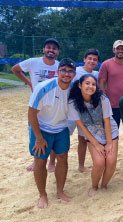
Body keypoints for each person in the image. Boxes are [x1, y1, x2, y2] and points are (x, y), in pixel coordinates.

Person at [28, 58, 76, 209]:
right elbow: (31, 115)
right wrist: (39, 138)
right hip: (42, 128)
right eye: (63, 70)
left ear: (74, 74)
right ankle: (42, 195)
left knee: (63, 159)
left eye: (70, 71)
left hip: (61, 128)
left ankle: (60, 191)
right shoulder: (43, 87)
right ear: (57, 71)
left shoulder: (74, 89)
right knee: (40, 161)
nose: (66, 74)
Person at [12, 38, 60, 172]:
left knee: (53, 132)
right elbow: (15, 69)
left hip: (53, 105)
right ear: (44, 49)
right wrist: (28, 82)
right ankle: (36, 161)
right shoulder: (33, 62)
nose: (51, 50)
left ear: (58, 52)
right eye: (48, 47)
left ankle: (51, 162)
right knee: (35, 132)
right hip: (36, 104)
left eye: (54, 48)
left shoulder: (59, 66)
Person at [68, 74, 119, 196]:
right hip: (91, 132)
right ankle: (95, 186)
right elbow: (81, 126)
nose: (90, 86)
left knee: (111, 161)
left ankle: (104, 185)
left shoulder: (102, 99)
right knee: (99, 162)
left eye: (93, 84)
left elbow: (107, 121)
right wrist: (96, 144)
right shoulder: (73, 103)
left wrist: (109, 143)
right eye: (87, 83)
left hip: (109, 130)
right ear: (80, 85)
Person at [70, 48, 100, 172]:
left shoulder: (97, 74)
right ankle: (52, 162)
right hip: (72, 107)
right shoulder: (75, 71)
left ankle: (81, 165)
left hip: (87, 109)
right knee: (62, 134)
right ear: (84, 59)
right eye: (89, 58)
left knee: (82, 138)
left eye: (95, 59)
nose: (92, 61)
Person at [99, 40, 123, 128]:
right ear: (113, 50)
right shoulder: (106, 64)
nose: (120, 51)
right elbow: (101, 83)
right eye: (118, 49)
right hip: (112, 106)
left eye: (122, 49)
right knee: (113, 133)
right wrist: (104, 99)